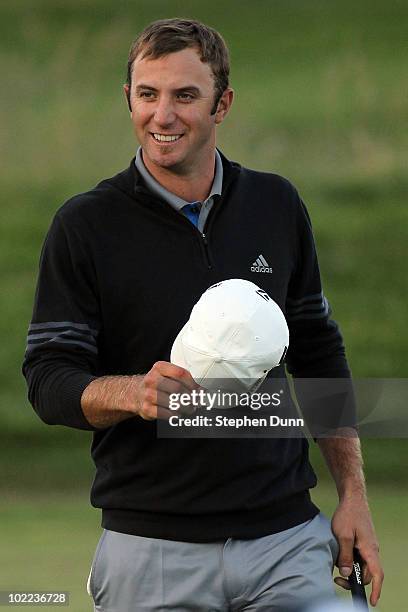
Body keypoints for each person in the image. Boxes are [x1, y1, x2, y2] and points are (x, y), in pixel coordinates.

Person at [23, 18, 383, 611]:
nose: (163, 116)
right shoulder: (84, 226)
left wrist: (354, 496)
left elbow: (318, 351)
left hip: (287, 541)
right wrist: (132, 393)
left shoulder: (276, 203)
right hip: (150, 548)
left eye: (185, 95)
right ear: (129, 99)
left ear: (223, 104)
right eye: (148, 94)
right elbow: (48, 379)